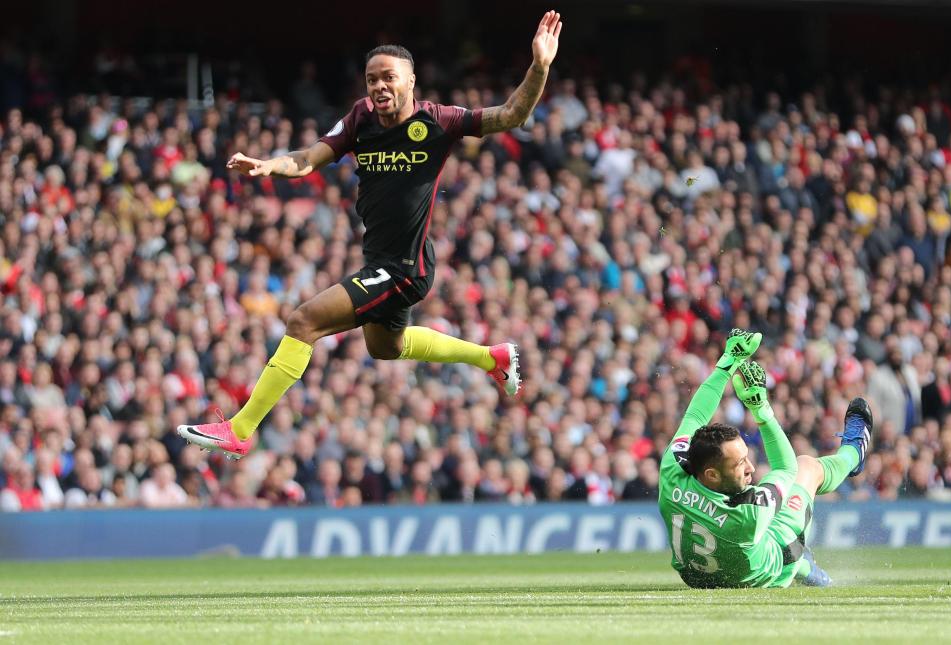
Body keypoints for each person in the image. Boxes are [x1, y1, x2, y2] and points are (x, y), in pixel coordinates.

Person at [177, 10, 565, 458]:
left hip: (404, 266)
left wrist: (539, 66)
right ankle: (490, 357)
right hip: (380, 260)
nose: (379, 87)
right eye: (371, 80)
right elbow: (309, 157)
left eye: (389, 78)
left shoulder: (438, 122)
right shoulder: (360, 118)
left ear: (411, 81)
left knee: (304, 320)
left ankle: (241, 429)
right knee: (386, 347)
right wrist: (271, 165)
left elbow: (512, 115)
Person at [658, 329, 873, 588]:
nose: (750, 468)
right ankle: (853, 454)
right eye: (739, 464)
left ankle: (806, 567)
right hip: (765, 572)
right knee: (807, 466)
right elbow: (786, 467)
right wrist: (762, 410)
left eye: (746, 458)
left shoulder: (673, 469)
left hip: (694, 576)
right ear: (712, 474)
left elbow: (694, 418)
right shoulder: (749, 513)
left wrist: (729, 360)